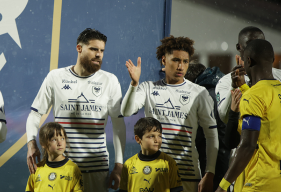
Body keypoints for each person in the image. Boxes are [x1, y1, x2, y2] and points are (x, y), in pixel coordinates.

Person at [26, 28, 126, 192]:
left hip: (97, 168)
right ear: (79, 48)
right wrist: (31, 143)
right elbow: (35, 114)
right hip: (63, 168)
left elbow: (119, 125)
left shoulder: (110, 80)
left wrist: (119, 165)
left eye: (102, 50)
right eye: (94, 49)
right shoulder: (55, 77)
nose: (99, 54)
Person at [121, 35, 218, 192]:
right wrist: (134, 84)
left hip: (187, 174)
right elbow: (126, 111)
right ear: (164, 61)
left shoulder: (199, 93)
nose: (181, 66)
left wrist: (210, 173)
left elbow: (211, 135)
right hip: (153, 172)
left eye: (185, 61)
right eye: (176, 60)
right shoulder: (148, 88)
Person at [216, 39, 281, 192]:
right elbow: (266, 109)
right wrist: (244, 87)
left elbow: (248, 145)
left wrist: (222, 187)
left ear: (248, 61)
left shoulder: (253, 96)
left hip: (258, 181)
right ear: (272, 60)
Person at [215, 26, 281, 124]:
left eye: (260, 43)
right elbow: (225, 118)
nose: (256, 48)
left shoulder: (279, 76)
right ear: (239, 47)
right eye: (250, 44)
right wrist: (234, 87)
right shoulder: (226, 81)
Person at [185, 64, 230, 192]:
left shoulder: (203, 96)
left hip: (210, 163)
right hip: (224, 159)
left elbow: (199, 135)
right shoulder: (221, 91)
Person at [119, 117, 183, 192]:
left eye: (159, 136)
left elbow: (176, 190)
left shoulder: (169, 163)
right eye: (151, 136)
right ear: (138, 139)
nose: (156, 140)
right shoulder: (128, 164)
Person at [25, 122, 83, 192]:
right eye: (54, 140)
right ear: (43, 143)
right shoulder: (37, 169)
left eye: (62, 138)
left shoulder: (73, 168)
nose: (60, 143)